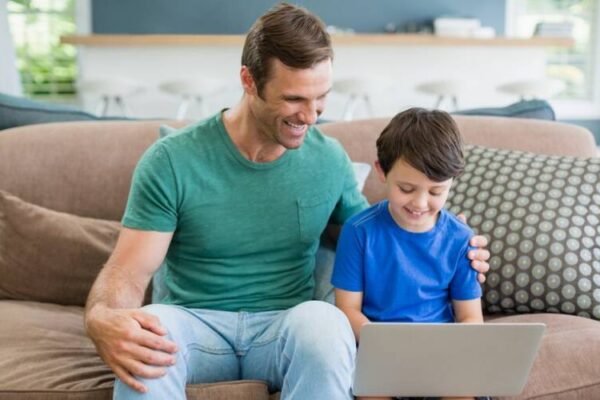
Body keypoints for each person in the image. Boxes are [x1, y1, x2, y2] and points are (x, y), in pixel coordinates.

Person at [84, 4, 490, 400]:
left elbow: (384, 234)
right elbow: (128, 272)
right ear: (248, 80)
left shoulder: (328, 159)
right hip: (194, 324)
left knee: (326, 322)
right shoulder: (172, 160)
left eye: (321, 98)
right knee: (149, 331)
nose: (311, 116)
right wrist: (103, 317)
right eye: (295, 99)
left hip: (286, 325)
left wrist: (450, 242)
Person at [332, 108, 486, 400]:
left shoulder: (461, 239)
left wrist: (446, 354)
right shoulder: (359, 231)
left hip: (441, 357)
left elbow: (470, 318)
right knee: (370, 391)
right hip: (379, 355)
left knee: (462, 390)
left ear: (452, 182)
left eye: (436, 191)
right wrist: (386, 347)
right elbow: (347, 308)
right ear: (381, 172)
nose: (420, 202)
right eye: (406, 188)